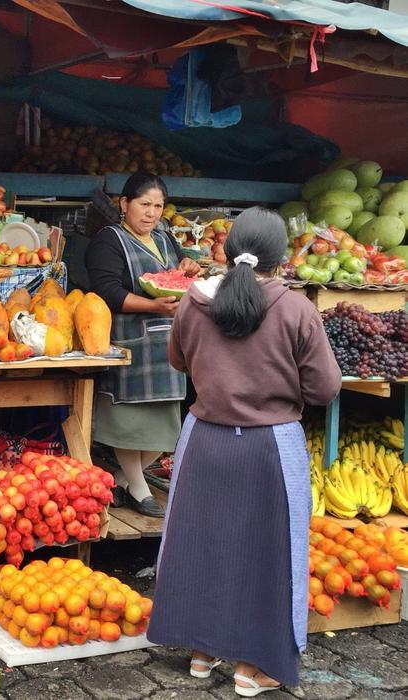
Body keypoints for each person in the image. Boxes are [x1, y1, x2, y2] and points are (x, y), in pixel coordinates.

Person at [147, 207, 342, 696]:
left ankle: (201, 652)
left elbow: (178, 360)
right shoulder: (296, 309)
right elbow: (325, 389)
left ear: (230, 250)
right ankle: (258, 665)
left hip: (205, 440)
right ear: (280, 258)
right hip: (270, 446)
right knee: (273, 554)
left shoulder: (194, 302)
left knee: (201, 544)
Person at [85, 173, 201, 517]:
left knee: (164, 427)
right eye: (144, 204)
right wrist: (151, 305)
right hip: (131, 343)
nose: (151, 213)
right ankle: (138, 488)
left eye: (158, 206)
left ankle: (121, 477)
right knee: (128, 423)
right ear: (124, 205)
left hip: (168, 345)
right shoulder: (109, 240)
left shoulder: (165, 238)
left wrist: (188, 269)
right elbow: (106, 290)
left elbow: (177, 280)